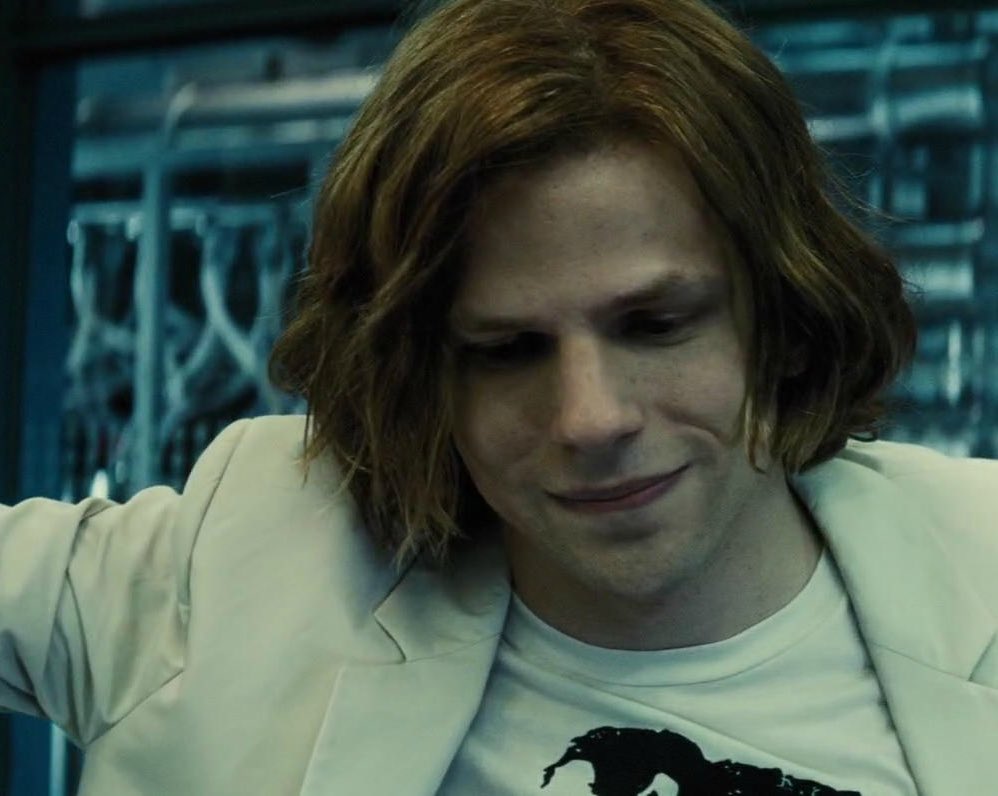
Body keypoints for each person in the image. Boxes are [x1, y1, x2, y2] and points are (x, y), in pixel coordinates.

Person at [2, 0, 996, 793]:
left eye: (655, 325)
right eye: (506, 351)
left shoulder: (975, 568)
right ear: (422, 376)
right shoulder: (245, 571)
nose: (590, 418)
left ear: (785, 316)